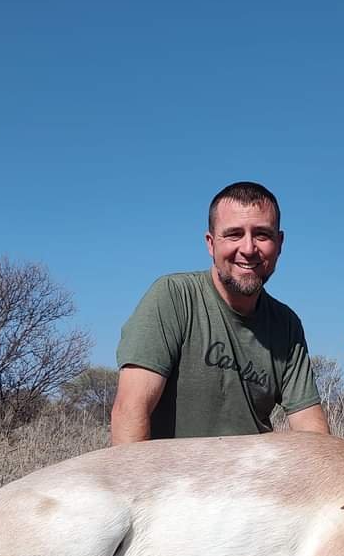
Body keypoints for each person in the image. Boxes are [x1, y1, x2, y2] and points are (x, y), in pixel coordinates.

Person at [111, 181, 330, 443]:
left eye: (262, 235)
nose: (248, 249)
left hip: (252, 477)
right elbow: (130, 410)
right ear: (211, 243)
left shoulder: (286, 324)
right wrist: (142, 484)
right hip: (171, 477)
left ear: (279, 243)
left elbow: (312, 431)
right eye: (234, 234)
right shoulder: (172, 296)